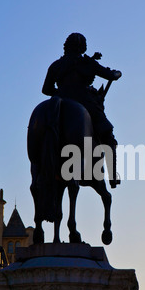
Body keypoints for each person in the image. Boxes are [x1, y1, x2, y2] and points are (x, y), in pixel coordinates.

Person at [42, 33, 121, 188]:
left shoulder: (55, 65)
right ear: (83, 47)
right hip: (85, 101)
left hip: (59, 99)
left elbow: (46, 89)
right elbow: (111, 75)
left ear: (66, 46)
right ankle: (112, 176)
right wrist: (118, 73)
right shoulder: (88, 63)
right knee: (107, 134)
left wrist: (60, 93)